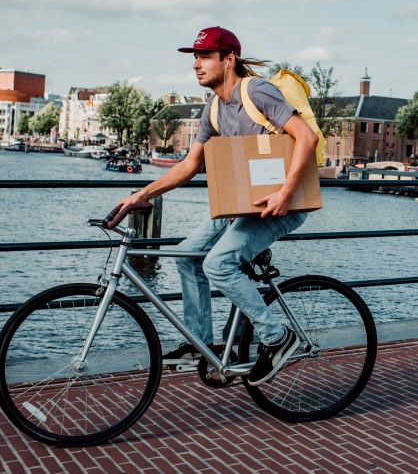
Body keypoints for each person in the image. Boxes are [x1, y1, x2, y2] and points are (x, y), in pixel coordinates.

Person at [113, 26, 318, 387]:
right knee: (188, 253)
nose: (196, 64)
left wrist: (285, 194)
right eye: (195, 57)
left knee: (218, 264)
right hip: (247, 204)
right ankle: (200, 343)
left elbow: (307, 137)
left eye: (205, 56)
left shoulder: (256, 91)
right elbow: (190, 165)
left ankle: (277, 337)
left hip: (283, 205)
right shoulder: (214, 108)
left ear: (229, 59)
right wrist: (140, 195)